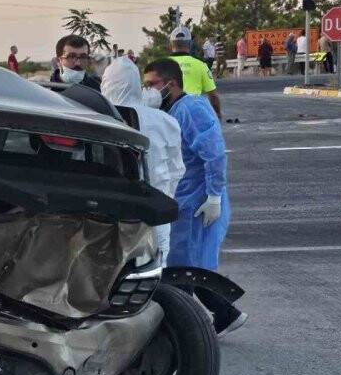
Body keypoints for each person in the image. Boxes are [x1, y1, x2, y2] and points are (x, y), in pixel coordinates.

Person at [142, 58, 246, 336]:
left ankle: (188, 329)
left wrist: (213, 197)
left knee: (183, 270)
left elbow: (214, 154)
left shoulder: (192, 108)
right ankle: (224, 315)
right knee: (186, 266)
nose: (148, 91)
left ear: (170, 84)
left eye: (151, 84)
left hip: (198, 203)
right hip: (185, 200)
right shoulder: (174, 110)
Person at [101, 57, 184, 264]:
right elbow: (177, 170)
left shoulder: (94, 120)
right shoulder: (165, 121)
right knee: (154, 268)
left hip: (108, 214)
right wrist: (165, 195)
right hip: (156, 209)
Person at [167, 26, 222, 119]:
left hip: (169, 115)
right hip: (194, 116)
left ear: (171, 45)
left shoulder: (160, 65)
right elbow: (213, 96)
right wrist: (218, 114)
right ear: (189, 44)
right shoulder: (201, 66)